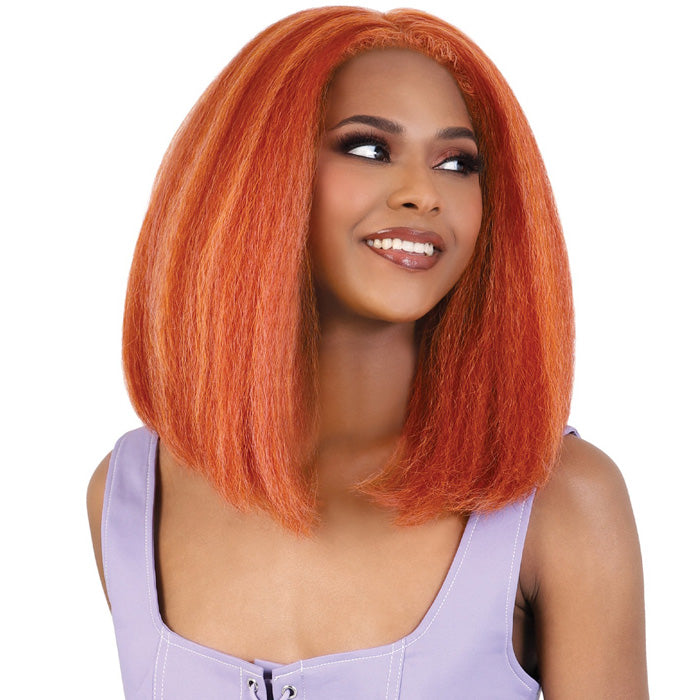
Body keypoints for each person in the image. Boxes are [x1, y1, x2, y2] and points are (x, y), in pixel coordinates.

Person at [87, 7, 648, 698]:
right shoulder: (128, 496)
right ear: (257, 173)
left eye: (458, 163)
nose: (423, 194)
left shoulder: (562, 502)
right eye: (369, 149)